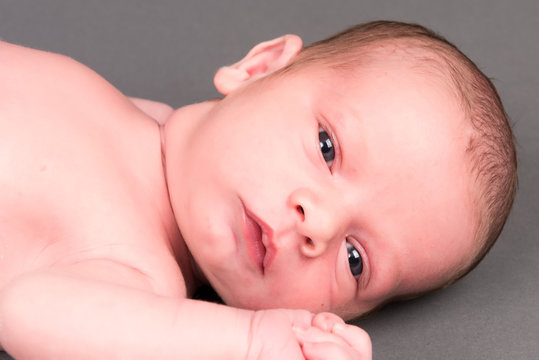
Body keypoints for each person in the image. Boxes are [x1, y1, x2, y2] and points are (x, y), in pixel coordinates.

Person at [0, 20, 516, 359]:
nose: (320, 223)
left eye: (355, 259)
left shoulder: (136, 275)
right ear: (258, 69)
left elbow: (23, 313)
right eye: (326, 146)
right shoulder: (137, 120)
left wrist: (253, 345)